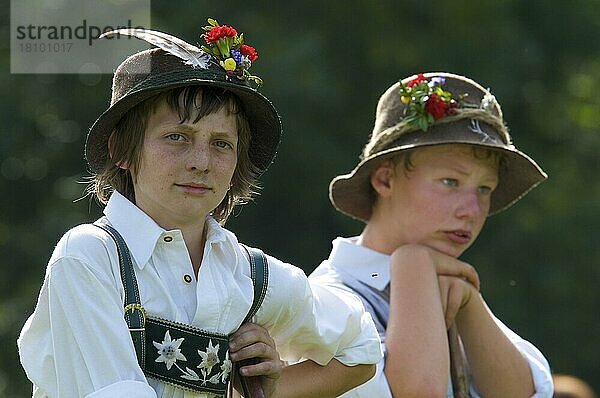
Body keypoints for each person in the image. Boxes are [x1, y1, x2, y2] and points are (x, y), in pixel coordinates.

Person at [18, 19, 381, 398]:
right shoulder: (91, 257)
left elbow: (361, 349)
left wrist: (267, 392)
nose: (201, 161)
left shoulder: (248, 275)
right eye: (177, 137)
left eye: (221, 143)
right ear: (121, 150)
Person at [309, 72, 554, 397]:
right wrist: (412, 265)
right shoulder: (326, 301)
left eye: (485, 188)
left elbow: (528, 392)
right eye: (450, 182)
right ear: (385, 181)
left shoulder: (453, 287)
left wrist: (469, 303)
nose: (472, 209)